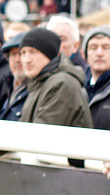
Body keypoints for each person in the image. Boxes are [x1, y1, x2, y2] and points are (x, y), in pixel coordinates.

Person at [20, 28, 92, 167]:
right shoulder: (38, 82)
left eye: (33, 52)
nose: (26, 59)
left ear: (49, 55)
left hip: (67, 177)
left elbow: (38, 137)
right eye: (23, 53)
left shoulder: (60, 83)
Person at [83, 26, 110, 130]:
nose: (99, 53)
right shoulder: (78, 85)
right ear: (85, 54)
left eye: (106, 47)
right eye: (93, 48)